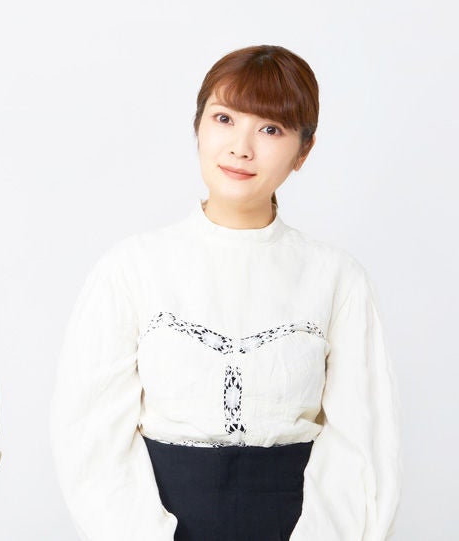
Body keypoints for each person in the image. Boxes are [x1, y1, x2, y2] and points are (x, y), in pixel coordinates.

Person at [51, 46, 400, 540]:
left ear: (304, 151)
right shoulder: (131, 269)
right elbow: (91, 441)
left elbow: (362, 444)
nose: (241, 147)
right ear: (198, 126)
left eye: (270, 129)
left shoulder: (337, 278)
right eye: (224, 119)